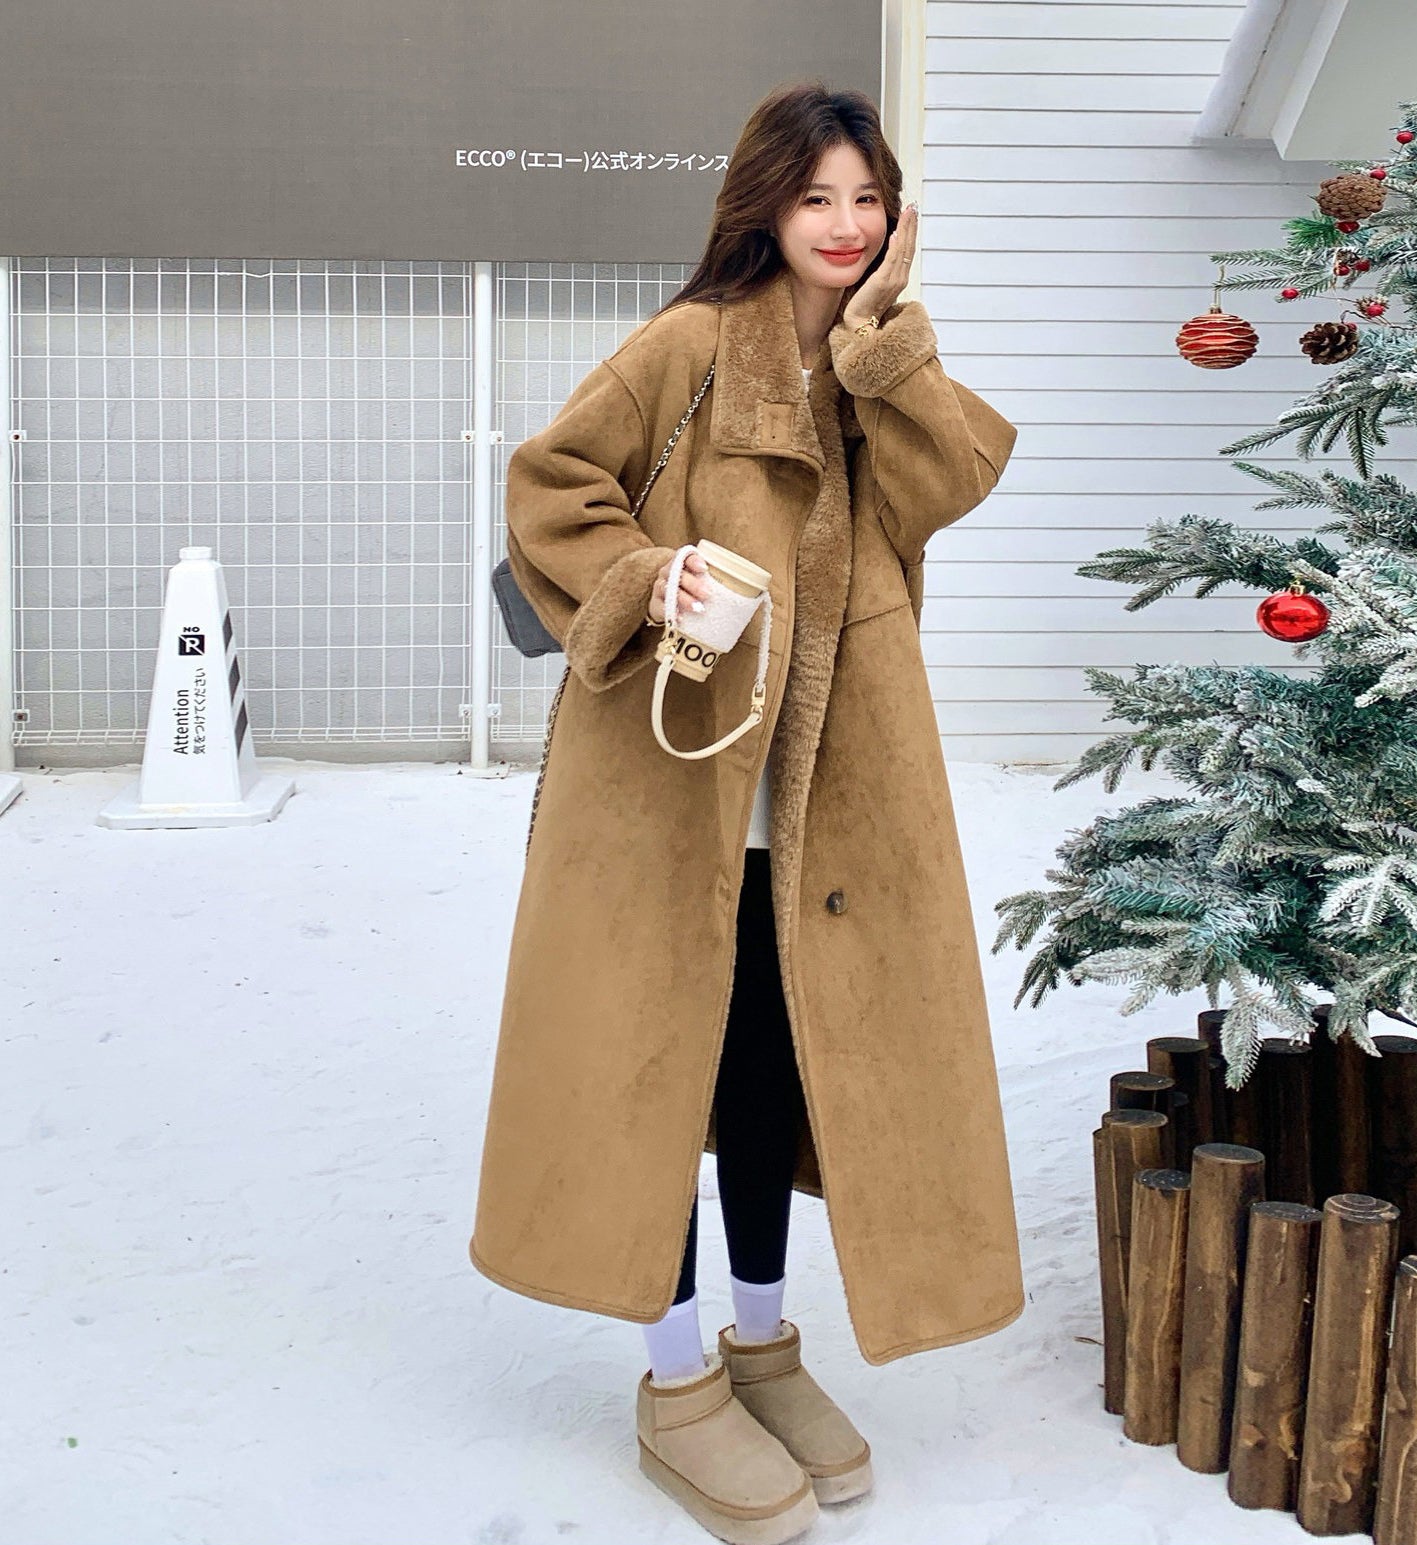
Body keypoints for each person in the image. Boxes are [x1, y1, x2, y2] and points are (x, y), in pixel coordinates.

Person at [471, 80, 1024, 1543]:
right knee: (657, 1071)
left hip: (829, 796)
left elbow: (955, 479)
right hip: (672, 779)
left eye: (866, 198)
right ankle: (674, 1380)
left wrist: (886, 345)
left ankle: (764, 1345)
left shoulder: (881, 363)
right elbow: (550, 482)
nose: (843, 224)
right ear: (764, 207)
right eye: (815, 196)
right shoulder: (692, 344)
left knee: (772, 1073)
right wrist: (650, 576)